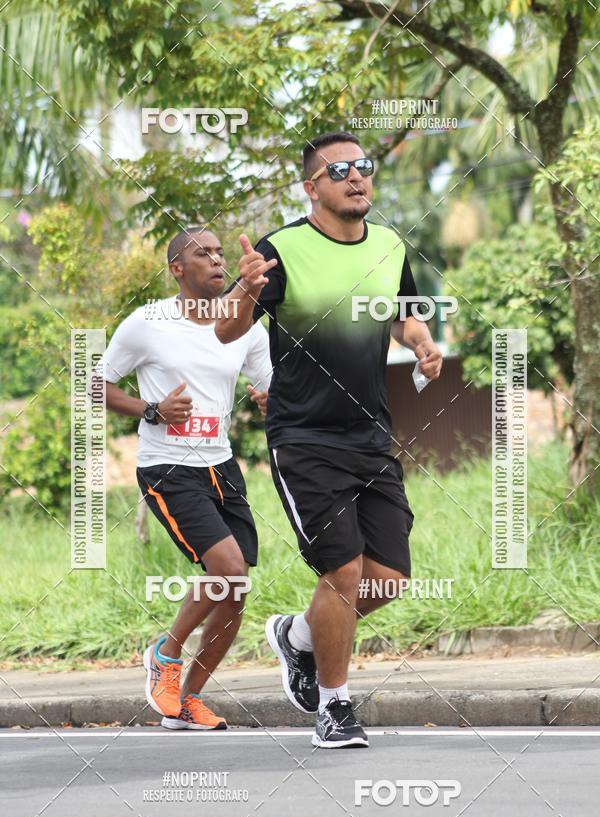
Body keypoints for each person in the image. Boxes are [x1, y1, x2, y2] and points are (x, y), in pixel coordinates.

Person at [216, 132, 443, 748]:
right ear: (311, 187)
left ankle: (296, 637)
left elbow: (400, 311)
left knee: (387, 578)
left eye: (363, 167)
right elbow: (227, 331)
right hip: (305, 437)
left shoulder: (390, 242)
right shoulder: (281, 250)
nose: (356, 177)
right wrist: (246, 289)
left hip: (370, 434)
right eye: (338, 170)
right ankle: (335, 707)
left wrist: (420, 343)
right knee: (342, 570)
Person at [98, 226, 271, 730]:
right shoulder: (147, 322)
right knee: (230, 571)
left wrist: (267, 399)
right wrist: (152, 409)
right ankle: (165, 654)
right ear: (177, 269)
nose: (217, 261)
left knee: (235, 590)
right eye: (204, 254)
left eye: (220, 253)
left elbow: (271, 389)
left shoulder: (246, 327)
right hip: (168, 466)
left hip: (221, 466)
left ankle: (189, 698)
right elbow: (95, 384)